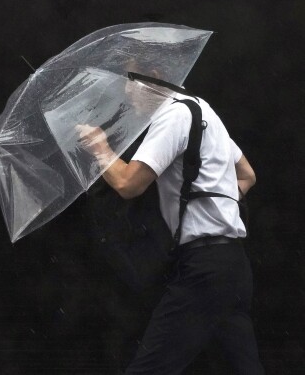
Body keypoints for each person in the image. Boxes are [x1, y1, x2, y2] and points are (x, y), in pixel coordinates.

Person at [76, 79, 264, 374]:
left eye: (132, 81)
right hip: (233, 266)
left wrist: (100, 148)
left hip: (203, 267)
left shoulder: (172, 115)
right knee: (242, 367)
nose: (127, 90)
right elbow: (247, 175)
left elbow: (128, 183)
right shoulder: (204, 111)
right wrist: (217, 206)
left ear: (155, 75)